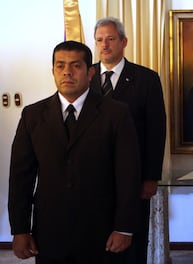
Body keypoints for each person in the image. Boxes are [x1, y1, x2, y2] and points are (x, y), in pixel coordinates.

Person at [8, 40, 141, 263]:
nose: (67, 72)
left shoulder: (116, 114)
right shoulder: (32, 115)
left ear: (90, 72)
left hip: (102, 232)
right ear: (53, 71)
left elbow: (128, 174)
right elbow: (21, 177)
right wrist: (20, 229)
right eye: (60, 66)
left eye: (75, 66)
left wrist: (124, 228)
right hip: (50, 233)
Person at [90, 17, 166, 264]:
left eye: (111, 39)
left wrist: (151, 177)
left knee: (131, 243)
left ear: (123, 42)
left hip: (133, 178)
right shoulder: (85, 76)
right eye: (100, 40)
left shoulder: (146, 79)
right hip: (92, 178)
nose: (105, 45)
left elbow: (156, 130)